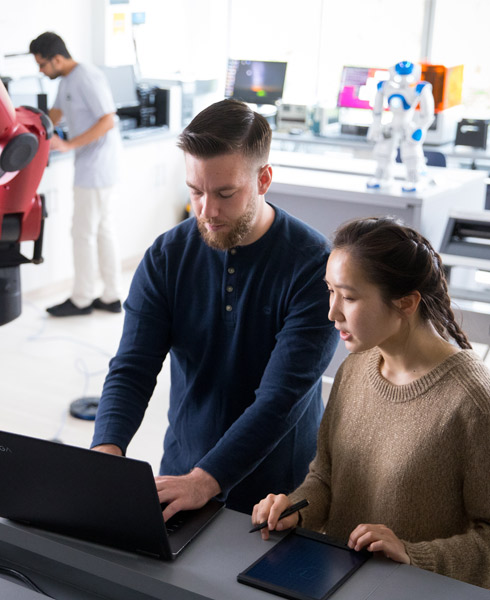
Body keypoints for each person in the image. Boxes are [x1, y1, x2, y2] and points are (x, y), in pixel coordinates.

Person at [251, 217, 490, 589]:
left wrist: (413, 557)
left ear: (406, 303)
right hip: (332, 585)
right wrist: (296, 509)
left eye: (349, 297)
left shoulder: (476, 406)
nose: (332, 312)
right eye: (330, 291)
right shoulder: (355, 368)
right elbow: (326, 478)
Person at [91, 99, 339, 518]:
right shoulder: (166, 256)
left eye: (225, 193)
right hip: (184, 475)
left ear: (263, 179)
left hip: (279, 495)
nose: (207, 211)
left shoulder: (314, 266)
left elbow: (280, 399)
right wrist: (105, 450)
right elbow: (132, 368)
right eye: (195, 192)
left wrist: (207, 480)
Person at [29, 31, 123, 317]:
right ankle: (111, 295)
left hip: (96, 166)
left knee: (82, 232)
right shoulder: (68, 79)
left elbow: (108, 120)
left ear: (58, 59)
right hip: (92, 165)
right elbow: (56, 113)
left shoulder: (87, 77)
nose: (41, 71)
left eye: (43, 65)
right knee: (102, 230)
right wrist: (30, 130)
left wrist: (68, 144)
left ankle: (82, 299)